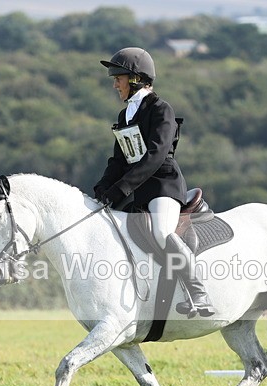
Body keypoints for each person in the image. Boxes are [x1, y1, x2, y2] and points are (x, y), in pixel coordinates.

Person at [93, 47, 215, 317]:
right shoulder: (125, 115)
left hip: (163, 186)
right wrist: (102, 188)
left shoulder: (161, 110)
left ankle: (199, 293)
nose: (115, 84)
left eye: (119, 78)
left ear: (136, 79)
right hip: (139, 190)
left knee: (162, 232)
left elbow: (155, 155)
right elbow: (119, 160)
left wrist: (121, 188)